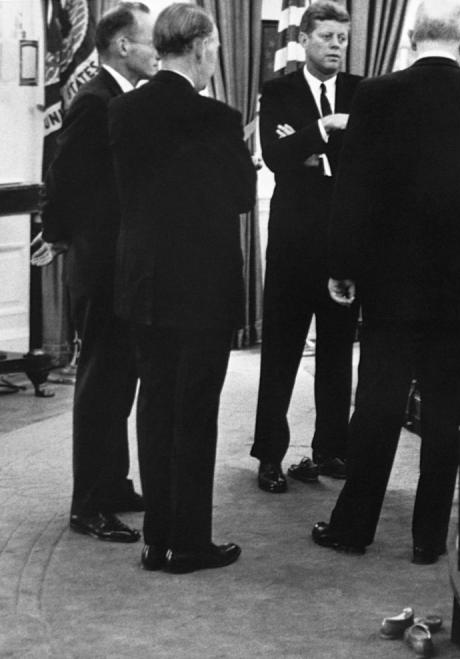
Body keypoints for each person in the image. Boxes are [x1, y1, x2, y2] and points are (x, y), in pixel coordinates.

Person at [311, 0, 460, 565]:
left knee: (378, 402)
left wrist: (342, 266)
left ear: (411, 37)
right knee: (447, 411)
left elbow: (352, 190)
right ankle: (428, 538)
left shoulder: (375, 95)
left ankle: (354, 528)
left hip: (390, 278)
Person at [109, 2, 257, 573]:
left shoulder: (122, 112)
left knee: (154, 407)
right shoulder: (218, 119)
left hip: (143, 282)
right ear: (199, 48)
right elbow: (243, 199)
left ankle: (156, 540)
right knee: (194, 414)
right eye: (216, 47)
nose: (217, 57)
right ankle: (188, 544)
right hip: (202, 289)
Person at [33, 2, 156, 544]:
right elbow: (64, 176)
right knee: (102, 384)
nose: (158, 51)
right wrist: (61, 235)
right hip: (102, 266)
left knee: (120, 380)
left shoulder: (120, 100)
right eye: (151, 41)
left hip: (119, 266)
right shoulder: (94, 101)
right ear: (123, 46)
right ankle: (87, 503)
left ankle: (113, 485)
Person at [251, 1, 361, 494]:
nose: (336, 46)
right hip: (294, 243)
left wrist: (309, 151)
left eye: (343, 38)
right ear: (306, 39)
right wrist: (324, 130)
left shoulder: (363, 92)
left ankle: (331, 449)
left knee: (338, 353)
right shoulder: (279, 90)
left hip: (342, 243)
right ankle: (270, 455)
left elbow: (364, 164)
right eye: (327, 38)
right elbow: (276, 157)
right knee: (280, 351)